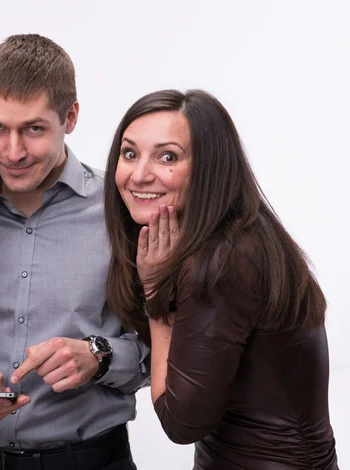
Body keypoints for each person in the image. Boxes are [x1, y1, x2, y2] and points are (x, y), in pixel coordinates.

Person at [0, 34, 149, 470]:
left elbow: (161, 346)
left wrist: (99, 355)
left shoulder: (121, 207)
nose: (12, 153)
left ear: (70, 117)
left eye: (33, 129)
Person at [104, 89, 339, 469]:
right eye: (129, 153)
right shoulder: (234, 236)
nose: (139, 174)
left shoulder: (223, 261)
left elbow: (181, 422)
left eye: (167, 157)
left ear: (208, 168)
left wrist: (155, 293)